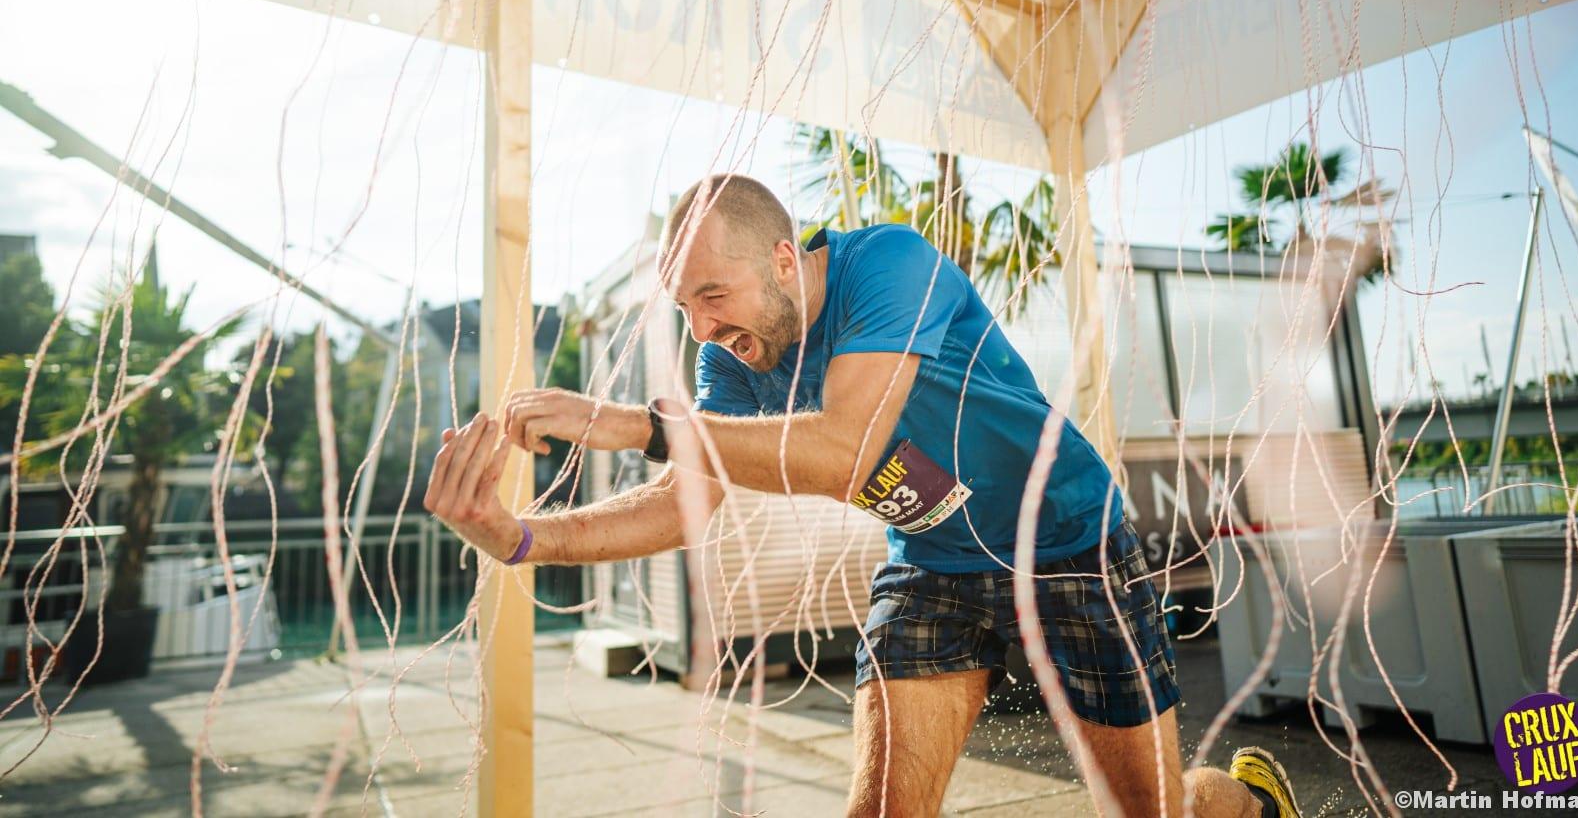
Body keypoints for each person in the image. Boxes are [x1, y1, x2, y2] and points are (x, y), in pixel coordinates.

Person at [424, 174, 1300, 818]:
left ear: (780, 258)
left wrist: (635, 423)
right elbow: (679, 502)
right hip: (934, 568)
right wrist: (521, 537)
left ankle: (1252, 804)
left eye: (713, 296)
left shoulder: (888, 263)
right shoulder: (729, 359)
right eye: (684, 307)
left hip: (1068, 543)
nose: (702, 329)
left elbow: (849, 445)